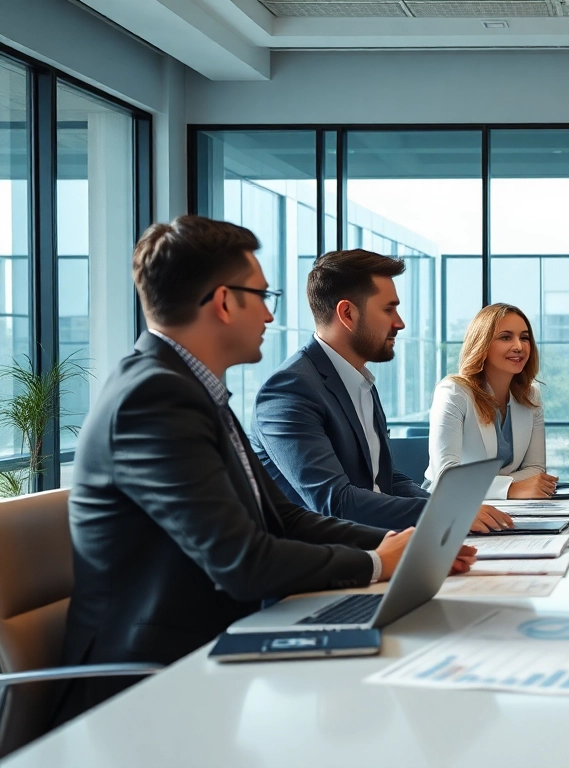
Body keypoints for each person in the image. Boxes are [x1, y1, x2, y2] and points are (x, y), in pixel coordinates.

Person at [56, 216, 475, 723]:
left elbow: (285, 519)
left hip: (212, 657)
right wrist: (378, 564)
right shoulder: (155, 397)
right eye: (262, 295)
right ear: (224, 301)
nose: (272, 316)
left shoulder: (194, 391)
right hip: (148, 687)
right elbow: (241, 561)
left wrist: (399, 548)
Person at [250, 249, 511, 533]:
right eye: (389, 309)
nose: (399, 323)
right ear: (347, 313)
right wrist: (443, 512)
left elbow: (387, 480)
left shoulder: (359, 382)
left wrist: (456, 510)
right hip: (330, 562)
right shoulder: (290, 390)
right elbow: (335, 502)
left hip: (380, 543)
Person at [427, 303, 557, 499]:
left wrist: (486, 484)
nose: (519, 347)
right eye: (506, 337)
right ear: (482, 344)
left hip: (509, 506)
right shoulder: (453, 392)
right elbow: (447, 478)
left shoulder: (531, 396)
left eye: (524, 338)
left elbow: (536, 470)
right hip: (451, 505)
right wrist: (510, 488)